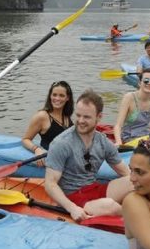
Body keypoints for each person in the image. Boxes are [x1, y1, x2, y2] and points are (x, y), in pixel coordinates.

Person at [43, 90, 131, 221]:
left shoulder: (103, 141)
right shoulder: (61, 143)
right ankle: (140, 221)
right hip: (72, 197)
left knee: (136, 182)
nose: (80, 121)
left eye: (86, 117)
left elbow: (126, 173)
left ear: (99, 117)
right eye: (78, 115)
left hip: (93, 189)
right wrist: (72, 208)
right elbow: (50, 184)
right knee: (110, 205)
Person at [21, 81, 74, 166]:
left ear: (67, 98)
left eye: (61, 95)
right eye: (54, 95)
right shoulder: (42, 116)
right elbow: (25, 139)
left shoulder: (66, 116)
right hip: (50, 159)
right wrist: (37, 150)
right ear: (50, 96)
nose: (57, 98)